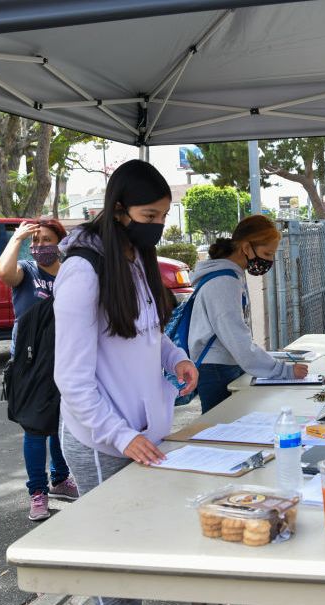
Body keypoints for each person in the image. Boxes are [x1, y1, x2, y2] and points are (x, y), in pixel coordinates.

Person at [53, 160, 198, 605]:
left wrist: (177, 359)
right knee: (114, 572)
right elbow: (72, 380)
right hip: (103, 440)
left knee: (142, 552)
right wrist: (121, 434)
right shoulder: (82, 272)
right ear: (119, 211)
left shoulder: (136, 258)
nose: (156, 227)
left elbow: (145, 332)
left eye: (163, 218)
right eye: (149, 217)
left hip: (142, 433)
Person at [0, 218, 78, 522]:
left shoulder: (72, 272)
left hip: (67, 357)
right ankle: (37, 492)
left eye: (47, 240)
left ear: (61, 242)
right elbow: (3, 272)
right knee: (35, 427)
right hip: (30, 361)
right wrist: (17, 238)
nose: (40, 246)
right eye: (36, 241)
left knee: (62, 422)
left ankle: (60, 479)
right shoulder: (28, 271)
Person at [189, 215, 308, 413]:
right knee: (221, 429)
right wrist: (284, 371)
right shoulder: (224, 283)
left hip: (222, 366)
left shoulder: (231, 276)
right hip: (217, 370)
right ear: (246, 248)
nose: (269, 261)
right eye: (267, 253)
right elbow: (238, 341)